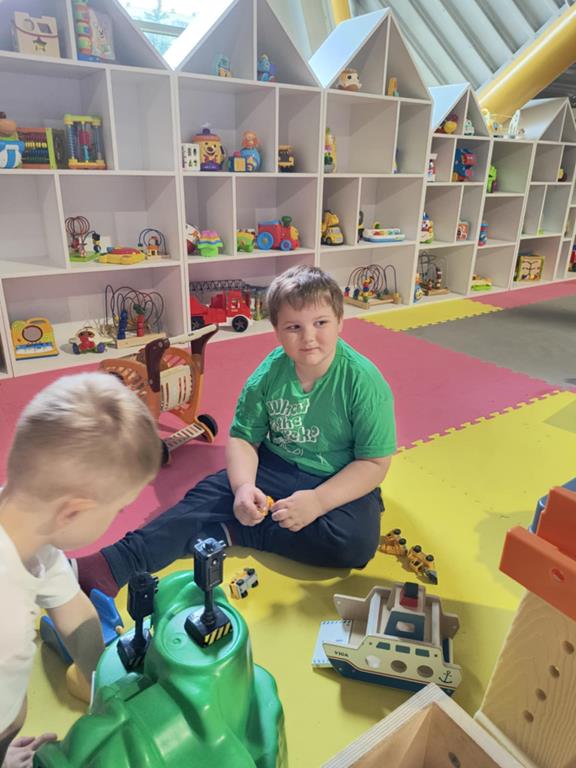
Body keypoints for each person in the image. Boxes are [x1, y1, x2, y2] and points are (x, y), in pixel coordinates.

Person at [76, 265, 397, 598]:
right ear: (276, 330)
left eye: (321, 323)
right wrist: (243, 488)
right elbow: (244, 438)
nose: (308, 337)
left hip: (339, 475)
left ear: (340, 321)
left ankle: (240, 531)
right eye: (293, 327)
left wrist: (318, 501)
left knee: (355, 544)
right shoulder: (268, 374)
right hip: (277, 465)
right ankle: (116, 562)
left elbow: (374, 463)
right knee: (202, 498)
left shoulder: (363, 381)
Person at [0, 373, 162, 768]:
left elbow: (75, 615)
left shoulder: (33, 529)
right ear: (73, 512)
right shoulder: (6, 612)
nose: (117, 520)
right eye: (117, 510)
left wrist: (107, 691)